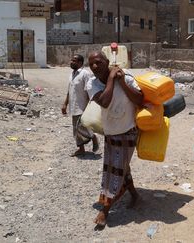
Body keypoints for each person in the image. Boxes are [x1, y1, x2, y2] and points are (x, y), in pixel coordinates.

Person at [85, 51, 143, 229]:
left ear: (107, 61)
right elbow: (104, 102)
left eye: (98, 62)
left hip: (128, 131)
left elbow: (140, 99)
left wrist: (122, 82)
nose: (95, 67)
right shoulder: (92, 83)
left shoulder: (127, 77)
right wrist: (111, 78)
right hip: (110, 132)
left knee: (113, 171)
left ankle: (105, 210)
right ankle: (134, 195)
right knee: (119, 167)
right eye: (91, 64)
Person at [61, 55, 99, 156]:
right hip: (73, 106)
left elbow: (89, 90)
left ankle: (93, 137)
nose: (71, 62)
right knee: (76, 129)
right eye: (71, 60)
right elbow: (69, 91)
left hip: (83, 106)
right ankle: (81, 149)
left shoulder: (85, 74)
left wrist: (90, 106)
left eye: (74, 61)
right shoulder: (72, 74)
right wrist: (65, 104)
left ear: (80, 63)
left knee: (82, 126)